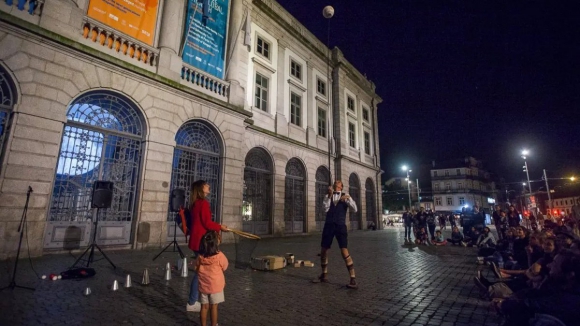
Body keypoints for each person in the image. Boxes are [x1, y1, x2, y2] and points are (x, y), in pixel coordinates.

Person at [186, 180, 229, 312]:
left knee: (200, 271)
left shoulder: (195, 203)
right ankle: (192, 302)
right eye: (206, 185)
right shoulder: (203, 203)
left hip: (196, 240)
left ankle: (194, 300)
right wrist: (220, 227)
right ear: (200, 188)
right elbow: (207, 223)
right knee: (200, 272)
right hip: (202, 242)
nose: (208, 186)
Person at [314, 180, 359, 289]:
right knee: (324, 250)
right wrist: (329, 196)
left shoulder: (346, 196)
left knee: (344, 250)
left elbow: (355, 209)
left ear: (341, 186)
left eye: (338, 182)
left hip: (340, 226)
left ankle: (352, 278)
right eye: (335, 182)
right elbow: (325, 209)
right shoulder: (327, 195)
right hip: (329, 225)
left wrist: (347, 199)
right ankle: (324, 274)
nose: (335, 183)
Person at [196, 230, 228, 326]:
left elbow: (196, 267)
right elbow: (225, 266)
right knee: (214, 306)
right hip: (216, 286)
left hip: (203, 286)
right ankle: (214, 324)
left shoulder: (200, 257)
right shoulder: (220, 256)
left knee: (204, 307)